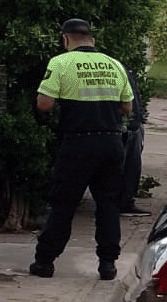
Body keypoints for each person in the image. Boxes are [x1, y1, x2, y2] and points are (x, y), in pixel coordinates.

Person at [30, 19, 132, 281]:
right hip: (111, 142)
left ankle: (45, 261)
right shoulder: (115, 64)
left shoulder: (61, 63)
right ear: (91, 39)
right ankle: (108, 264)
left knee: (63, 204)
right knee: (108, 204)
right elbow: (128, 108)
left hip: (78, 142)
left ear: (66, 39)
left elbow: (44, 103)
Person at [119, 66, 147, 213]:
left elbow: (135, 98)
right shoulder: (118, 69)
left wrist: (140, 120)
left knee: (132, 168)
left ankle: (126, 201)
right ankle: (121, 203)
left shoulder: (127, 70)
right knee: (123, 168)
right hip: (126, 127)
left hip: (134, 126)